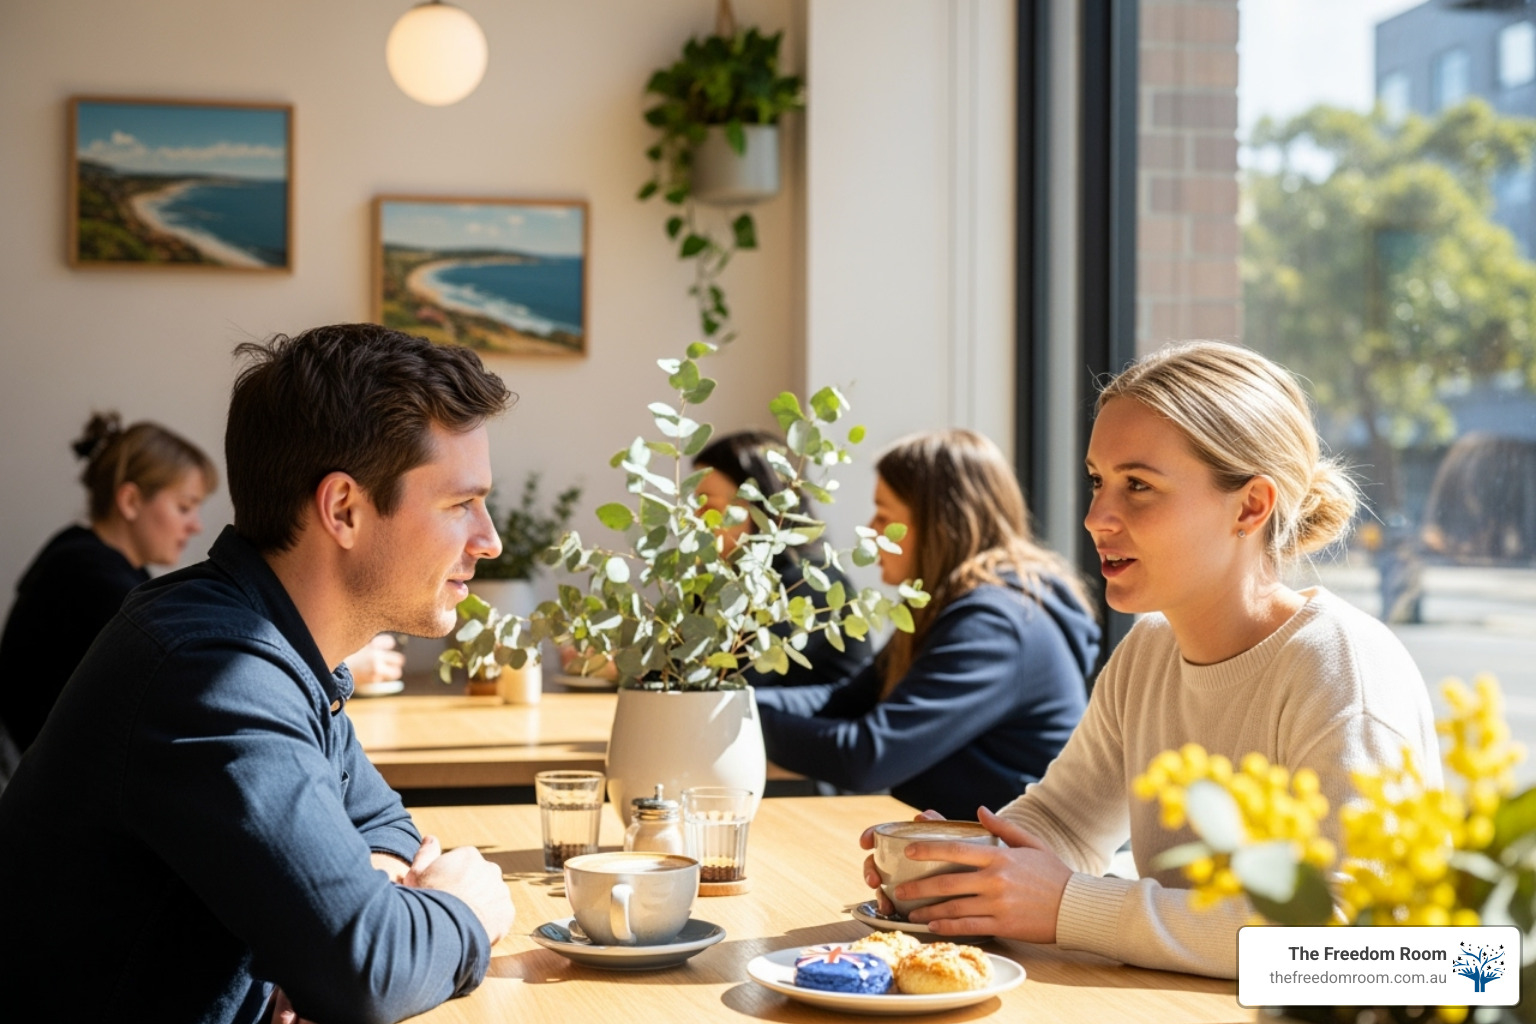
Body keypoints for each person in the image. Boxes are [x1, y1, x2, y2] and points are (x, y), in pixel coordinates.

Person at [861, 342, 1440, 979]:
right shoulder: (1150, 649)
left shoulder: (1341, 669)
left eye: (1138, 485)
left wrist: (1070, 907)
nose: (1095, 518)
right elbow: (1064, 821)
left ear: (1250, 506)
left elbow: (1361, 946)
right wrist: (961, 867)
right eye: (1098, 481)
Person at [0, 324, 517, 1023]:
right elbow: (365, 973)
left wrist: (357, 918)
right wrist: (462, 910)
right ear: (343, 510)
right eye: (461, 504)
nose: (490, 540)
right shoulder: (215, 671)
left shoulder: (277, 645)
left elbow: (385, 828)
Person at [754, 428, 1099, 820]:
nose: (871, 530)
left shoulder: (995, 625)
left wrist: (738, 717)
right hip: (961, 854)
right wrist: (734, 705)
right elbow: (848, 700)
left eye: (884, 515)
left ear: (939, 522)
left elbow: (869, 758)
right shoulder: (950, 605)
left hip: (1010, 863)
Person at [0, 413, 215, 752]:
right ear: (130, 501)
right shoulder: (89, 577)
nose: (196, 526)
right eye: (185, 507)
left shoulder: (91, 558)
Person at [692, 429, 873, 687]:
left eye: (709, 507)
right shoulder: (726, 579)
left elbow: (725, 682)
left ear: (761, 507)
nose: (695, 518)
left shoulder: (808, 582)